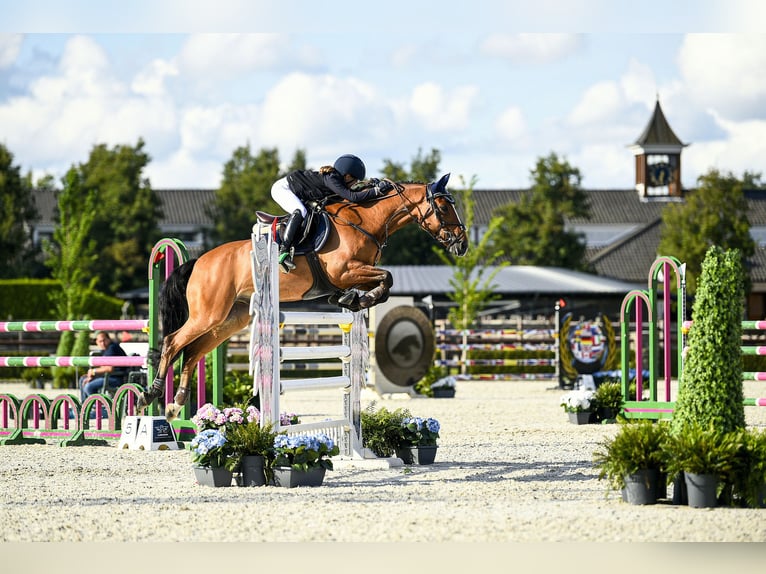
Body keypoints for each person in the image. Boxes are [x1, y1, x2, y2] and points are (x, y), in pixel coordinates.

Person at [270, 154, 393, 272]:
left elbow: (351, 193)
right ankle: (283, 252)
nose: (355, 183)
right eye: (355, 180)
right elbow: (352, 197)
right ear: (348, 176)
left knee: (306, 213)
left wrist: (371, 186)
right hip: (282, 189)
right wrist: (377, 191)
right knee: (301, 211)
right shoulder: (332, 178)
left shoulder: (336, 179)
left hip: (296, 191)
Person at [78, 331, 128, 402]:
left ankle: (97, 408)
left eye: (104, 340)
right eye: (100, 341)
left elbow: (109, 368)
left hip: (117, 378)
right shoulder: (105, 350)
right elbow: (103, 367)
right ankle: (85, 406)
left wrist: (93, 371)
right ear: (97, 342)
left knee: (88, 387)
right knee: (83, 379)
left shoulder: (112, 348)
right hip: (108, 376)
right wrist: (92, 374)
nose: (103, 343)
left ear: (109, 339)